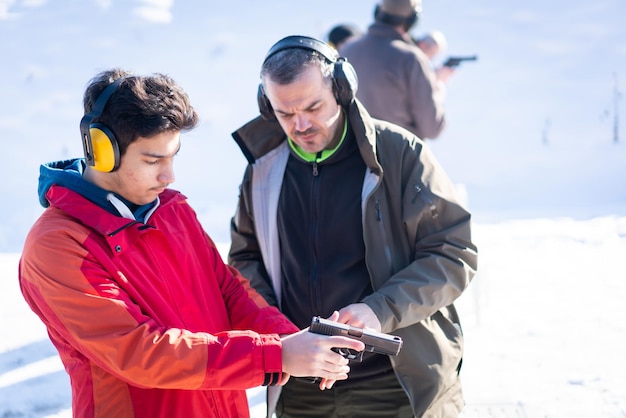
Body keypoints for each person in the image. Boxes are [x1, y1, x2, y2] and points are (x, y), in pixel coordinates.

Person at [18, 68, 366, 418]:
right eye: (153, 160)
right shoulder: (58, 245)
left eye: (173, 156)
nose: (169, 176)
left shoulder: (172, 210)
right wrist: (275, 355)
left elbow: (229, 291)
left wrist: (291, 339)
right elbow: (139, 352)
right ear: (102, 151)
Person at [229, 35, 478, 417]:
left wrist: (380, 310)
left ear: (342, 88)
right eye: (285, 113)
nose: (300, 124)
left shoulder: (400, 154)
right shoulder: (262, 170)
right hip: (299, 386)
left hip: (394, 384)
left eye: (314, 106)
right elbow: (245, 260)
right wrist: (282, 335)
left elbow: (453, 254)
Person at [339, 0, 450, 140]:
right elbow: (432, 129)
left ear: (378, 13)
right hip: (400, 156)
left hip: (355, 153)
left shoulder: (347, 50)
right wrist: (438, 86)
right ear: (413, 19)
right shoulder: (412, 59)